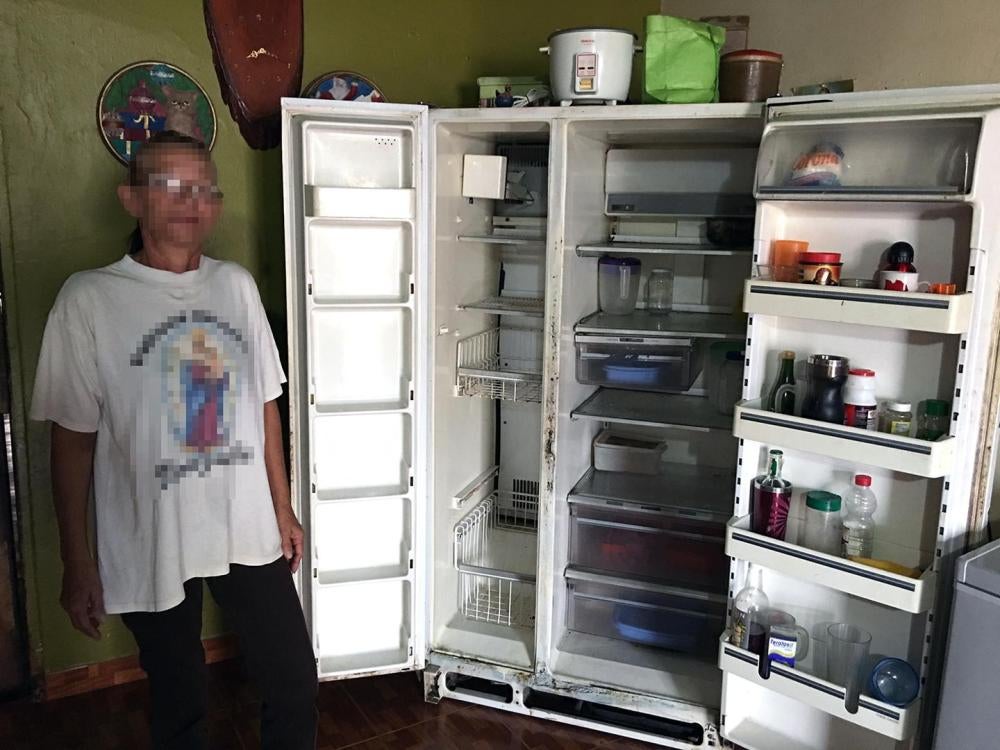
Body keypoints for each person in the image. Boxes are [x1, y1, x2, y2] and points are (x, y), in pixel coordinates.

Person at [30, 130, 317, 749]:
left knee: (293, 680)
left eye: (206, 188)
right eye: (172, 186)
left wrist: (282, 506)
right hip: (148, 529)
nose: (194, 201)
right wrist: (78, 561)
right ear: (131, 199)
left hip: (243, 522)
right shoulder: (89, 299)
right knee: (180, 697)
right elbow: (72, 440)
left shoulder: (235, 285)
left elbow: (266, 401)